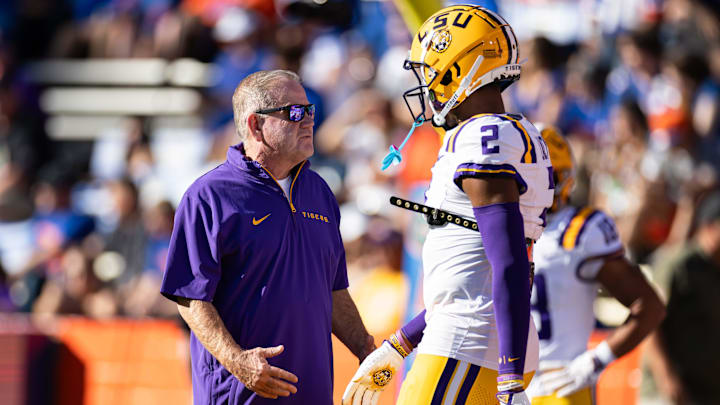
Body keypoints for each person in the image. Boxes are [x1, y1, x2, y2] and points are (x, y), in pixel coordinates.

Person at [344, 5, 554, 404]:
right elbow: (472, 277)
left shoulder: (481, 137)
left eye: (431, 73)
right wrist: (400, 344)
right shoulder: (506, 133)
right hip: (474, 340)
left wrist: (510, 382)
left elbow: (507, 263)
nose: (426, 86)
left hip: (467, 348)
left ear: (460, 70)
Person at [160, 69, 375, 404]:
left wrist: (365, 347)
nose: (309, 122)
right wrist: (238, 362)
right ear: (255, 125)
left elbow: (333, 288)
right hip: (240, 395)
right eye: (295, 113)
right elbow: (190, 298)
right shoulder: (208, 196)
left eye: (311, 111)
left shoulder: (319, 192)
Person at [523, 125, 665, 404]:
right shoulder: (495, 228)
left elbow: (649, 305)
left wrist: (596, 360)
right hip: (506, 384)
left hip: (559, 386)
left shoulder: (580, 231)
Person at [645, 190, 720, 405]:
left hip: (708, 393)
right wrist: (666, 379)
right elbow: (650, 322)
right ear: (708, 226)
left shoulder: (716, 268)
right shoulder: (678, 264)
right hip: (669, 393)